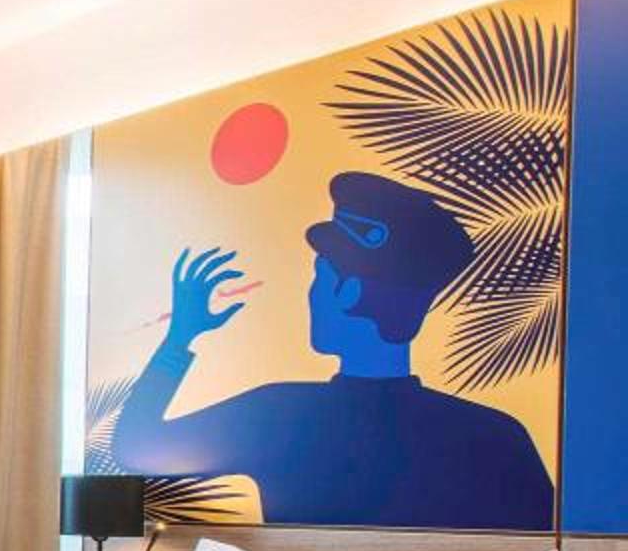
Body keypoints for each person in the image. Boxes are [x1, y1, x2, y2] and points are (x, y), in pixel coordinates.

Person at [113, 170, 550, 530]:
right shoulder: (497, 437)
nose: (311, 294)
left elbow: (137, 447)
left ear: (348, 291)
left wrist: (180, 337)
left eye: (319, 277)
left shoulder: (281, 414)